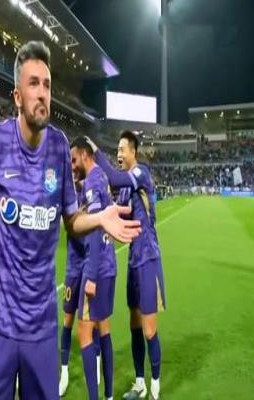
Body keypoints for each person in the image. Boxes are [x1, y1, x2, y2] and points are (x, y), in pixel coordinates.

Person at [0, 41, 141, 400]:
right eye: (34, 84)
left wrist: (98, 219)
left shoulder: (59, 147)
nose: (43, 93)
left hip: (41, 327)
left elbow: (71, 220)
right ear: (17, 96)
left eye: (47, 85)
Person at [86, 131, 165, 400]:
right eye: (117, 150)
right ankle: (140, 383)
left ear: (133, 152)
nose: (119, 154)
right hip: (133, 259)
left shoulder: (140, 174)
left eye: (122, 150)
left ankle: (155, 387)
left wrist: (95, 151)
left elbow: (114, 177)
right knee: (134, 325)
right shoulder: (124, 191)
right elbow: (116, 213)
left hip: (148, 258)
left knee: (149, 329)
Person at [71, 136, 116, 400]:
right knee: (104, 329)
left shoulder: (92, 182)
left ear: (85, 156)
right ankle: (108, 395)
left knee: (84, 332)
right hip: (109, 264)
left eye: (74, 159)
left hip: (96, 267)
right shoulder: (102, 178)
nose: (72, 165)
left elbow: (97, 227)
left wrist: (90, 276)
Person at [59, 175, 101, 397]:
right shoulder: (67, 195)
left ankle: (96, 365)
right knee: (67, 321)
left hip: (88, 267)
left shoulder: (91, 192)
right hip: (72, 268)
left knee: (91, 323)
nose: (73, 174)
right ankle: (64, 372)